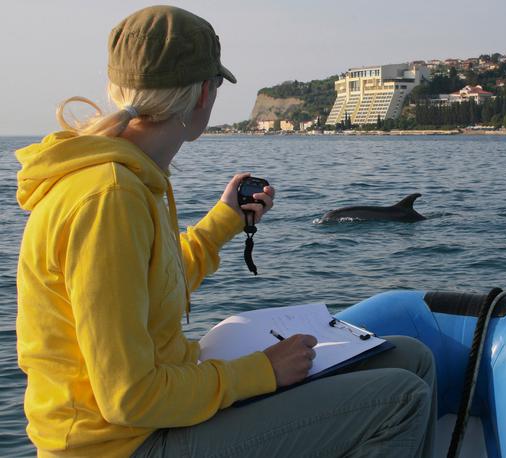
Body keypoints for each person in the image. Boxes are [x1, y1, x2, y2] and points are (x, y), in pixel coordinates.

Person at [15, 5, 436, 457]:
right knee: (403, 397)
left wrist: (225, 221)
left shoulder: (132, 179)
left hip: (156, 415)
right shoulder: (110, 198)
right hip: (122, 445)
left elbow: (154, 287)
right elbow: (128, 397)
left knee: (412, 356)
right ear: (203, 94)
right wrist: (263, 371)